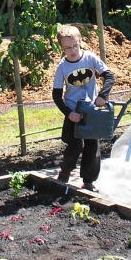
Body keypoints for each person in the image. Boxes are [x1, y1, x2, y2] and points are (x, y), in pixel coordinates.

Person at [52, 25, 114, 192]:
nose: (72, 50)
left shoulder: (90, 58)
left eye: (75, 46)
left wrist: (102, 95)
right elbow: (56, 95)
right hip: (74, 111)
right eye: (67, 48)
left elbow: (109, 76)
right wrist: (69, 113)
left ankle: (88, 182)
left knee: (93, 148)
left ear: (80, 42)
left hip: (91, 112)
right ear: (62, 47)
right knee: (74, 146)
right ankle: (64, 173)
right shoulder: (62, 67)